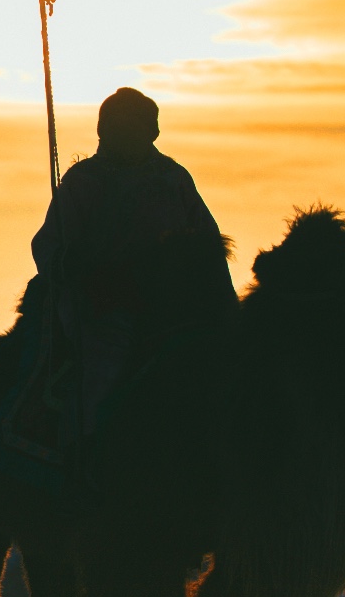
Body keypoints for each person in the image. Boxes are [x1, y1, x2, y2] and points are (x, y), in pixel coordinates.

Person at [29, 87, 233, 440]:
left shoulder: (173, 180)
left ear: (153, 131)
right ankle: (88, 450)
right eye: (117, 125)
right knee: (102, 372)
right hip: (102, 309)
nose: (127, 132)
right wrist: (76, 266)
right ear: (102, 130)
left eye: (136, 125)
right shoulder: (84, 182)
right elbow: (48, 246)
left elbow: (207, 245)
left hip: (172, 307)